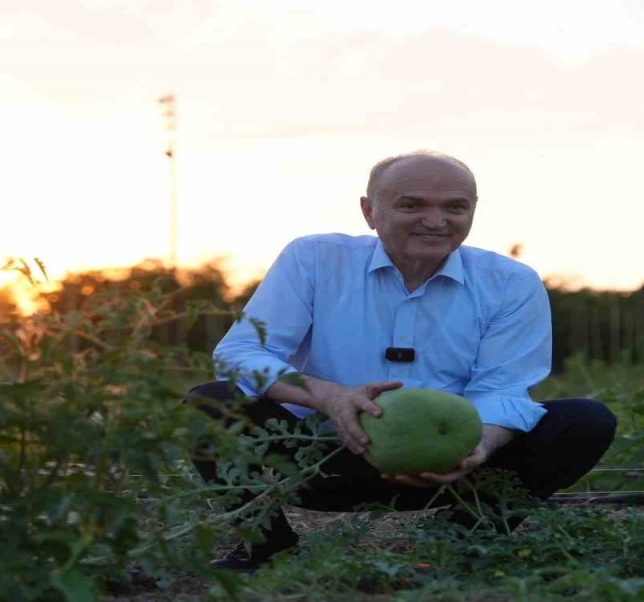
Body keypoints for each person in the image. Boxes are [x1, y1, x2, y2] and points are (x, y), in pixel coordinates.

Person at [186, 151, 616, 571]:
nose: (435, 220)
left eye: (455, 207)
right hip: (320, 460)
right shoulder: (315, 259)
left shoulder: (511, 283)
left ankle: (463, 539)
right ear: (369, 211)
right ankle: (266, 543)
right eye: (412, 205)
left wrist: (479, 446)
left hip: (454, 469)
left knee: (585, 420)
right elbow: (240, 353)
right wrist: (331, 397)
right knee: (210, 403)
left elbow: (503, 388)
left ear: (473, 211)